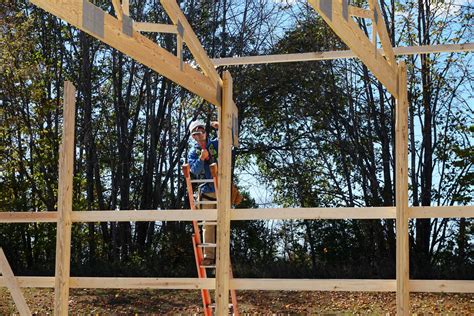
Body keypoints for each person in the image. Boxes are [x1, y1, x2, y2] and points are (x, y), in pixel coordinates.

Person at [188, 120, 219, 266]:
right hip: (206, 191)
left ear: (205, 133)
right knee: (208, 224)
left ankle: (223, 254)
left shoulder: (214, 144)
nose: (199, 135)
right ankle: (209, 255)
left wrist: (220, 130)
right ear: (193, 136)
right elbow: (193, 171)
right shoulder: (193, 152)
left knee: (224, 223)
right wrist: (201, 158)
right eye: (196, 133)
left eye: (201, 131)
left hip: (221, 189)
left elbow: (227, 145)